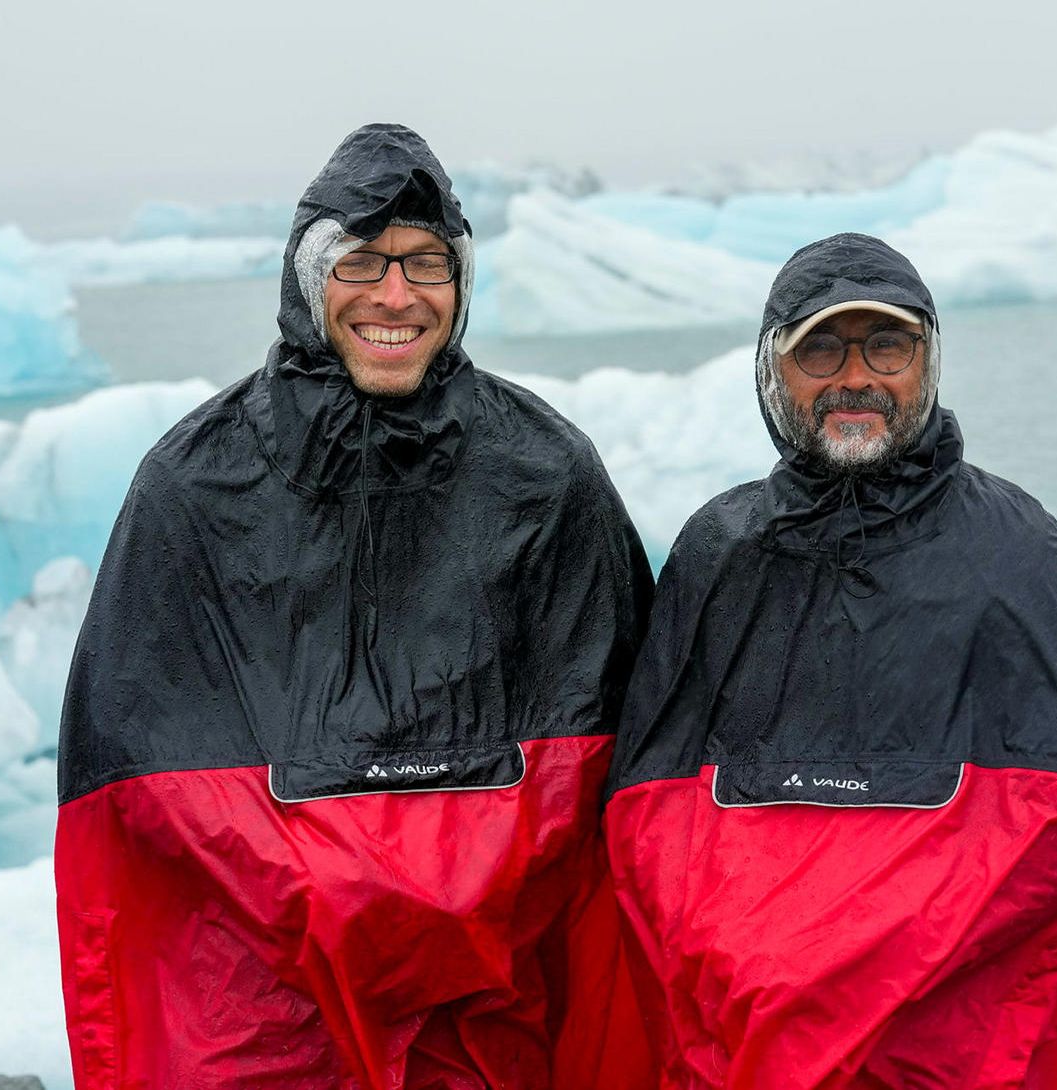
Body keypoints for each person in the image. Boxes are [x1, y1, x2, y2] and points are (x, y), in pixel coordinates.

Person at [55, 124, 655, 1089]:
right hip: (264, 1007)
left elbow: (611, 754)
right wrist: (334, 895)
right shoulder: (194, 482)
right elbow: (133, 774)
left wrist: (435, 903)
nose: (394, 295)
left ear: (460, 287)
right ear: (306, 280)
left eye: (425, 263)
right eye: (362, 261)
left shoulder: (545, 472)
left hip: (486, 1006)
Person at [605, 233, 1057, 1088]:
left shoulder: (1020, 557)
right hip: (740, 1047)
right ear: (773, 371)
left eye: (887, 345)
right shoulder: (719, 554)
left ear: (928, 362)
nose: (856, 377)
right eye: (821, 348)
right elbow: (645, 824)